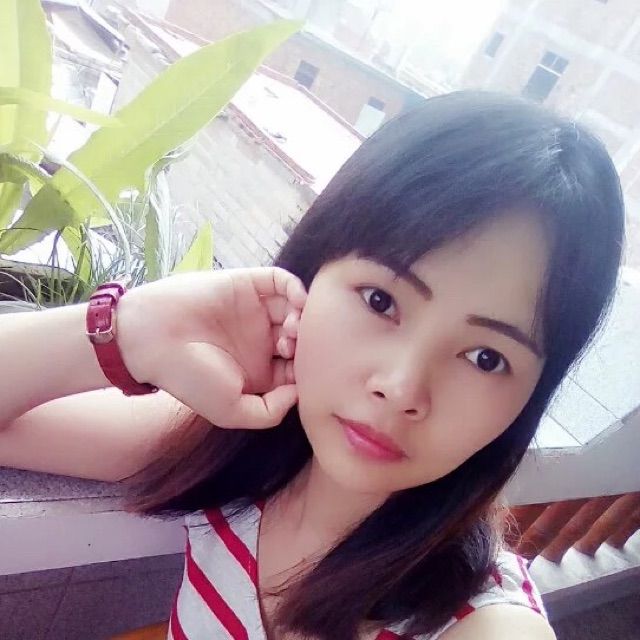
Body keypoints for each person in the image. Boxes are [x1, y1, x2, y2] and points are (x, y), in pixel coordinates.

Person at [0, 91, 625, 640]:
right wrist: (131, 329)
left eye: (486, 357)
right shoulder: (243, 458)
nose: (401, 387)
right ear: (310, 273)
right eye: (380, 300)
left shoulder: (480, 624)